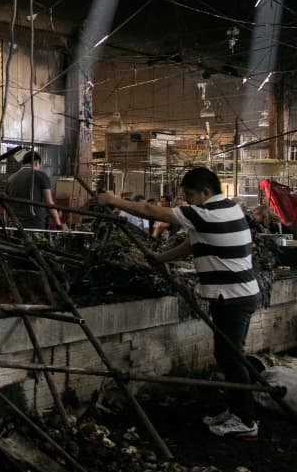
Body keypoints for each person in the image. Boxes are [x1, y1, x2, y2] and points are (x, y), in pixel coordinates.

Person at [98, 167, 261, 440]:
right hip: (238, 295)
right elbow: (195, 243)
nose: (186, 201)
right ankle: (237, 410)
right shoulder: (229, 209)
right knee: (229, 354)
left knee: (230, 357)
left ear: (205, 193)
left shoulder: (205, 213)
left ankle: (245, 420)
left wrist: (114, 201)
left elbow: (150, 212)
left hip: (232, 297)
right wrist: (161, 258)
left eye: (189, 195)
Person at [4, 151, 62, 230]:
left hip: (16, 225)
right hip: (35, 225)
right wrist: (58, 224)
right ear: (36, 162)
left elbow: (7, 205)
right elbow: (49, 203)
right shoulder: (41, 175)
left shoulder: (10, 179)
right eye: (39, 165)